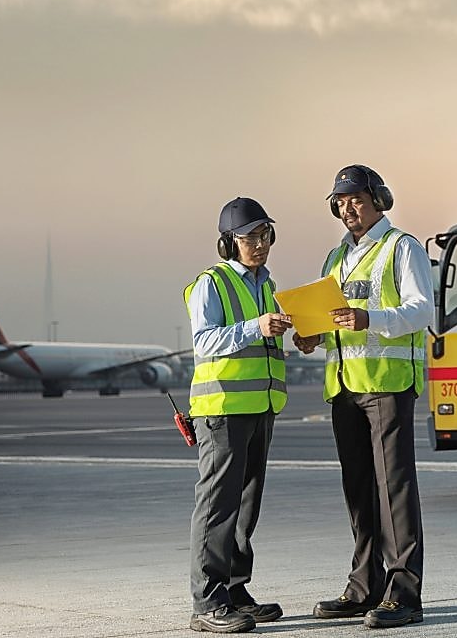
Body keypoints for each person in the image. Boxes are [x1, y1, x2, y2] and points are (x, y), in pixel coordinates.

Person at [294, 165, 434, 630]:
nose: (346, 207)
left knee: (394, 490)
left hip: (387, 384)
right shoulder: (334, 258)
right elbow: (329, 319)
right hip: (344, 386)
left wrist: (366, 317)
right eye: (339, 201)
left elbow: (421, 311)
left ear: (378, 198)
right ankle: (363, 588)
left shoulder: (402, 247)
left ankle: (403, 593)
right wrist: (311, 336)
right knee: (358, 491)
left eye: (355, 198)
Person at [183, 197, 292, 634]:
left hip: (260, 408)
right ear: (228, 244)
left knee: (246, 506)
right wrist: (256, 327)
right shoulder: (212, 284)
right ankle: (207, 602)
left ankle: (234, 588)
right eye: (250, 237)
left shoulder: (267, 286)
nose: (260, 244)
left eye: (265, 235)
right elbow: (205, 341)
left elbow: (265, 343)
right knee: (216, 506)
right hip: (222, 410)